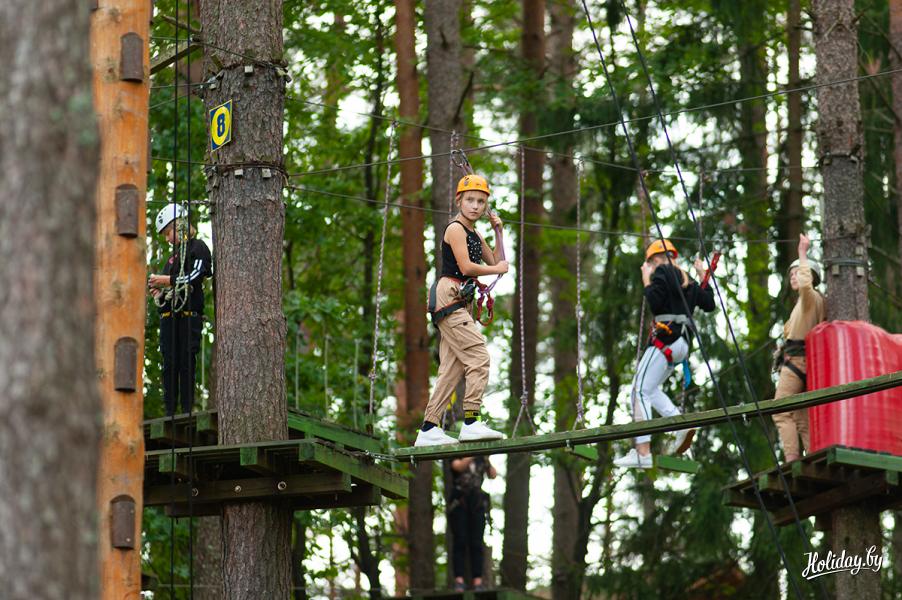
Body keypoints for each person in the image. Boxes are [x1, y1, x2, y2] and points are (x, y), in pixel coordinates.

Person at [415, 174, 508, 447]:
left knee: (452, 368)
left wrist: (498, 232)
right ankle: (471, 421)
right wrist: (496, 269)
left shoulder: (475, 234)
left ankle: (428, 428)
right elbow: (467, 267)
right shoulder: (455, 229)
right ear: (459, 201)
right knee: (478, 356)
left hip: (461, 301)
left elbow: (498, 261)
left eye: (480, 201)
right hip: (450, 295)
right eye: (470, 200)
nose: (475, 206)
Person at [614, 239, 716, 468]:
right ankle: (679, 424)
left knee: (638, 389)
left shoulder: (662, 271)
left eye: (650, 263)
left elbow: (655, 302)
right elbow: (709, 304)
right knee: (649, 389)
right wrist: (702, 276)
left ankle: (642, 452)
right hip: (681, 345)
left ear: (655, 259)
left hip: (666, 340)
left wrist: (646, 279)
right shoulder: (687, 279)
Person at [148, 203, 212, 416]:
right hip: (169, 319)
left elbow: (195, 275)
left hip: (188, 317)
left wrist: (167, 280)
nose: (167, 239)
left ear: (180, 225)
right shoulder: (172, 259)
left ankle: (186, 410)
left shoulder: (197, 248)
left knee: (186, 362)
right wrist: (159, 294)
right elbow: (169, 292)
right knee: (169, 365)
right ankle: (169, 411)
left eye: (169, 233)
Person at [771, 233, 825, 462]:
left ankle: (792, 458)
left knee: (780, 410)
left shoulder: (810, 298)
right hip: (805, 363)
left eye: (798, 272)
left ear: (809, 275)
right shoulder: (806, 305)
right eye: (791, 274)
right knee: (801, 416)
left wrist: (802, 252)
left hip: (796, 362)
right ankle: (812, 455)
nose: (794, 276)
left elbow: (805, 285)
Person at [448, 455, 496, 591]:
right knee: (460, 540)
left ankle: (478, 581)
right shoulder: (457, 453)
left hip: (477, 502)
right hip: (459, 501)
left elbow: (493, 475)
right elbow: (458, 466)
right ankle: (459, 580)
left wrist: (486, 459)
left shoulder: (481, 458)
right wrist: (473, 452)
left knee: (477, 542)